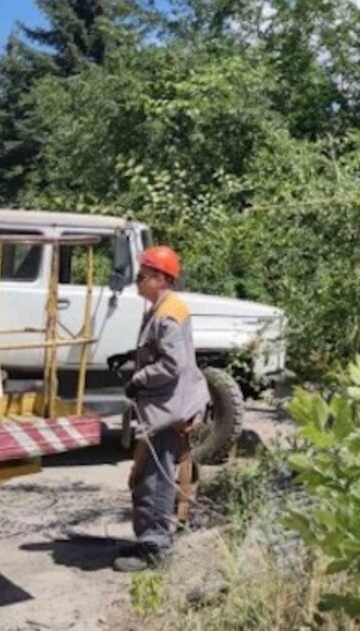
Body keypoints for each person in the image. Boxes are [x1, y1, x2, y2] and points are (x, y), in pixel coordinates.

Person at [114, 244, 210, 573]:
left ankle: (155, 548)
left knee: (154, 480)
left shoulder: (168, 314)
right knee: (149, 476)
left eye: (142, 276)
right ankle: (149, 539)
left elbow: (172, 364)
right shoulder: (164, 307)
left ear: (159, 278)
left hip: (169, 409)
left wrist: (138, 380)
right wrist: (131, 357)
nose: (137, 282)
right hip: (167, 405)